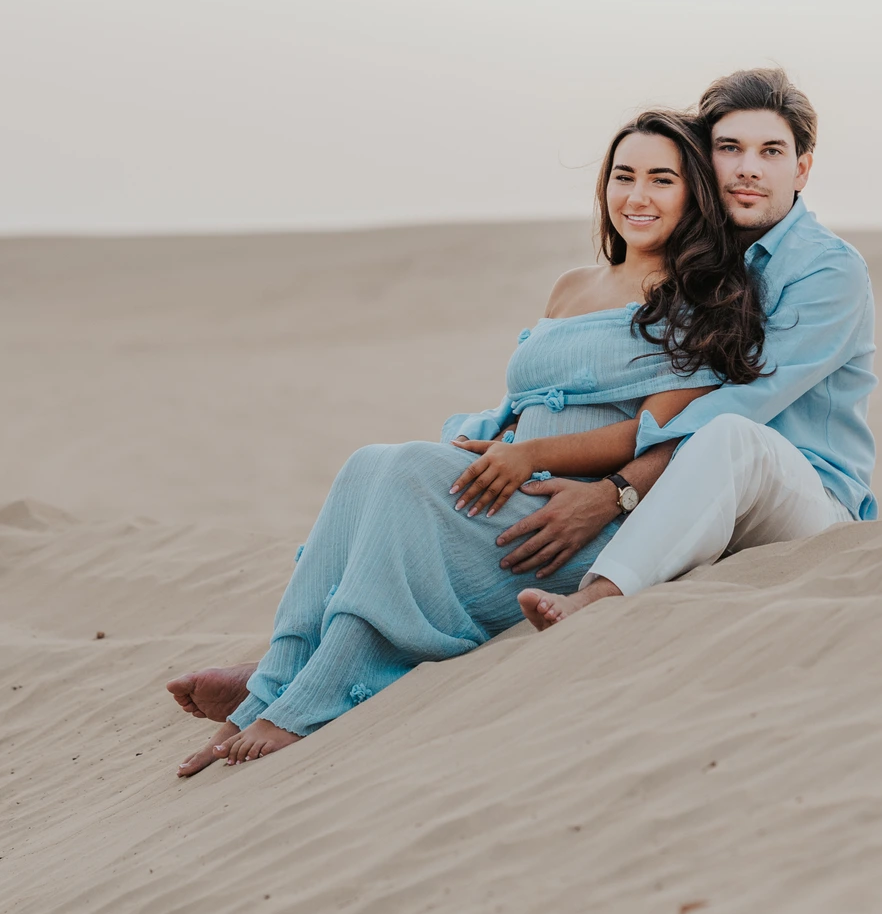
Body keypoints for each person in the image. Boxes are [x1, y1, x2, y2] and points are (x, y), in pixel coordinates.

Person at [170, 109, 765, 774]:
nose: (637, 196)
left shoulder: (699, 299)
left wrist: (530, 457)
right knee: (369, 464)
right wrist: (494, 443)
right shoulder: (572, 287)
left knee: (403, 473)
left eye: (661, 180)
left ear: (693, 196)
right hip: (511, 482)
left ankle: (313, 696)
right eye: (623, 176)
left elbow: (652, 432)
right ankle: (271, 682)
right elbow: (526, 404)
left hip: (573, 523)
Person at [515, 67, 876, 629]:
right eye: (729, 147)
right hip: (698, 506)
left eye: (771, 151)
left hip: (808, 505)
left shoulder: (828, 270)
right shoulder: (705, 264)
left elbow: (746, 399)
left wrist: (618, 489)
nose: (748, 167)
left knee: (730, 434)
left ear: (801, 169)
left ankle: (595, 600)